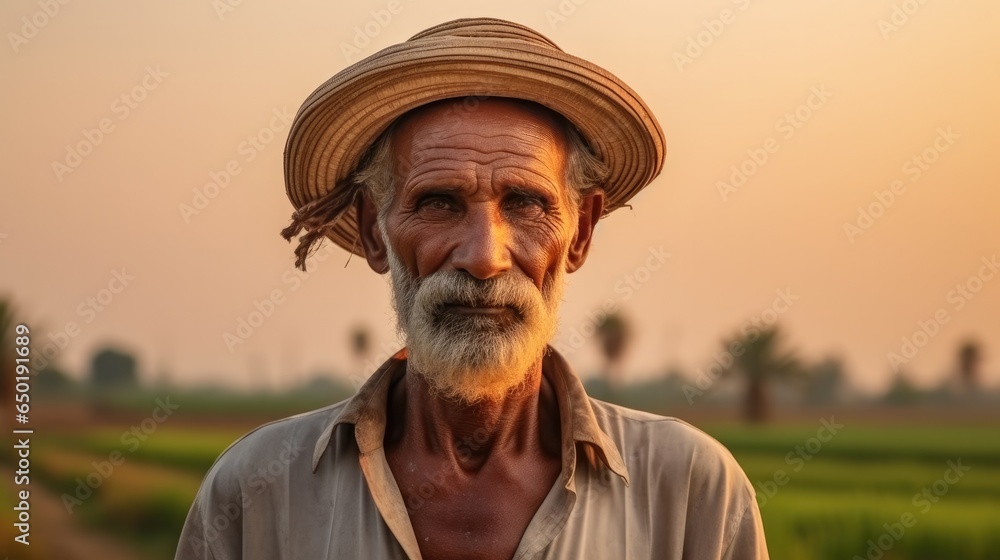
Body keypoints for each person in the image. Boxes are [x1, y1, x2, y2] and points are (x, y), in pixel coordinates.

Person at [175, 17, 768, 560]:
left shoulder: (692, 491)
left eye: (526, 202)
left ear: (580, 232)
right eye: (438, 203)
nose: (484, 257)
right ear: (373, 232)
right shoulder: (256, 492)